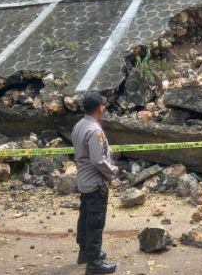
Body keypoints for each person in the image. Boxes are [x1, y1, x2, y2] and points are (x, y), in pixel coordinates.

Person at [71, 92, 118, 274]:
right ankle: (94, 262)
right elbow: (98, 161)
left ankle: (85, 252)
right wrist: (113, 172)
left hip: (84, 180)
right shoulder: (94, 130)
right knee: (96, 222)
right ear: (100, 107)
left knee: (85, 218)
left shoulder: (79, 125)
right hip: (95, 183)